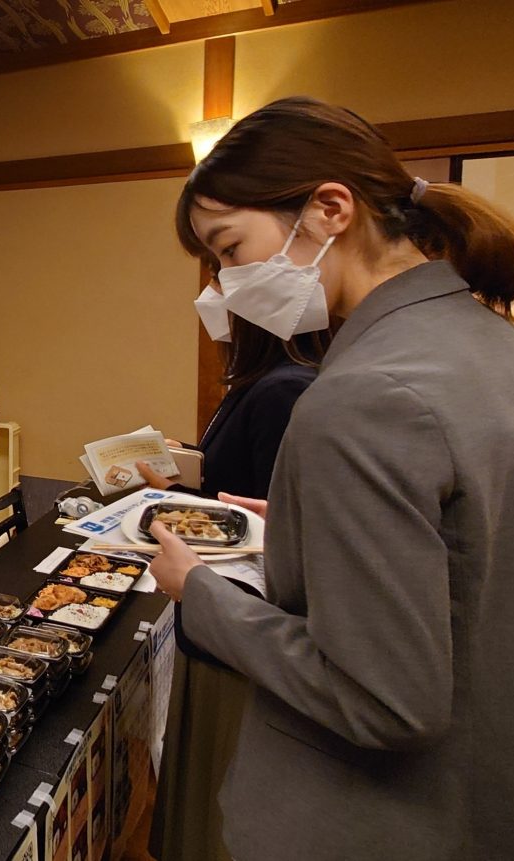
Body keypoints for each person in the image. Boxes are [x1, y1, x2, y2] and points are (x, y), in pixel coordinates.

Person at [148, 96, 514, 861]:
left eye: (229, 247)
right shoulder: (505, 348)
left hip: (395, 821)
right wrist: (308, 535)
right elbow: (473, 561)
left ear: (329, 209)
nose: (226, 280)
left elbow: (382, 698)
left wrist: (202, 592)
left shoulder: (364, 395)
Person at [143, 291, 328, 860]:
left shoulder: (284, 388)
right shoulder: (257, 380)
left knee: (216, 784)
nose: (210, 303)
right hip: (220, 602)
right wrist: (183, 479)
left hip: (237, 607)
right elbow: (235, 484)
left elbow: (268, 509)